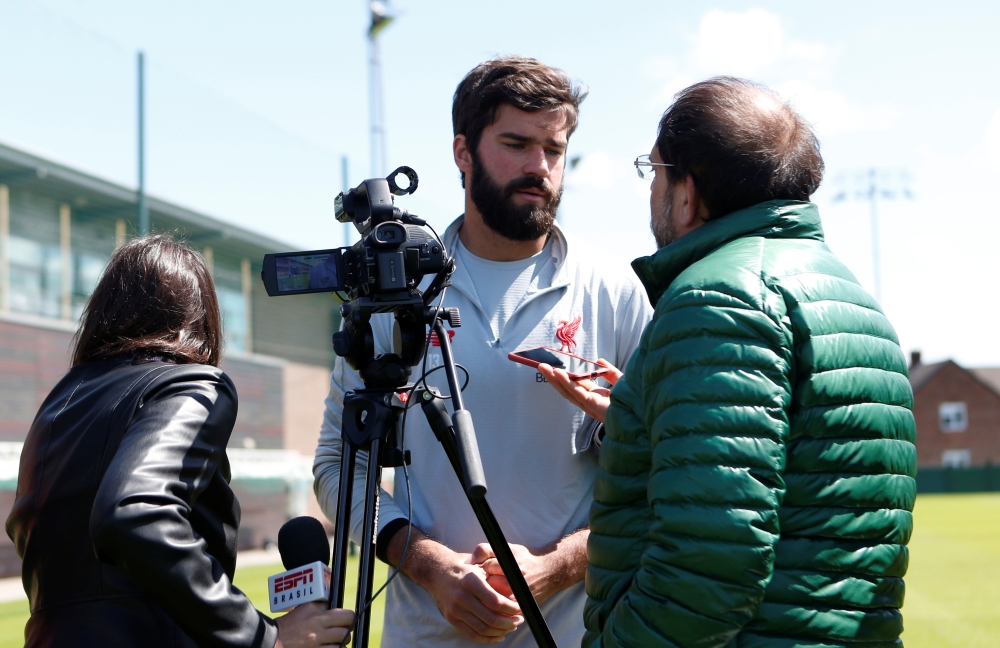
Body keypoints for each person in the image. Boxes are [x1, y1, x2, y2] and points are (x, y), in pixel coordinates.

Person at [541, 77, 917, 647]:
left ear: (687, 192)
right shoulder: (851, 294)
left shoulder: (718, 298)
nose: (650, 192)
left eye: (654, 169)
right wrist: (643, 415)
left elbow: (706, 565)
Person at [313, 57, 653, 646]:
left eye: (554, 148)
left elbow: (658, 474)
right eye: (516, 144)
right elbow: (339, 466)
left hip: (578, 635)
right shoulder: (396, 291)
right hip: (422, 634)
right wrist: (427, 564)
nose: (538, 167)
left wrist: (556, 567)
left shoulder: (616, 290)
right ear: (463, 153)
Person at [6, 236, 354, 648]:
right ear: (200, 318)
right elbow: (136, 512)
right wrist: (265, 639)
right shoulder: (190, 383)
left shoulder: (58, 405)